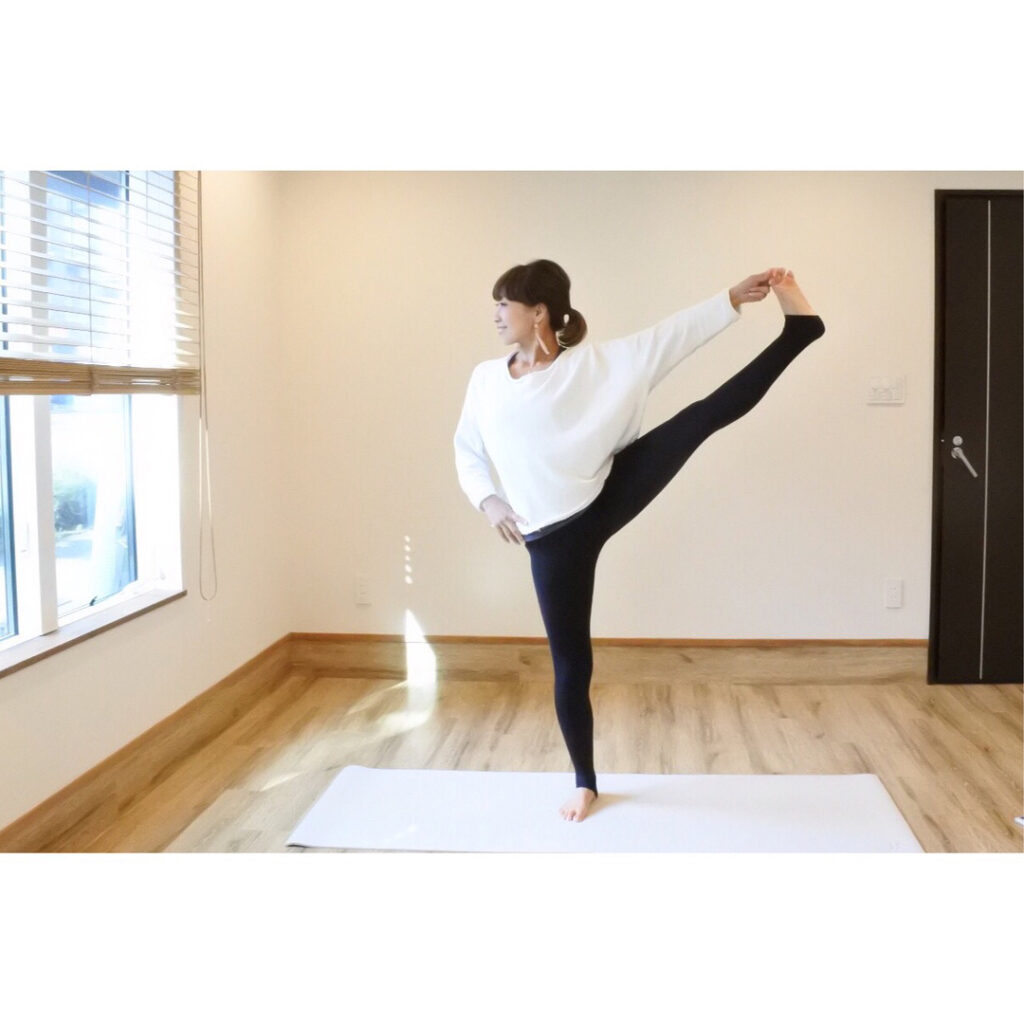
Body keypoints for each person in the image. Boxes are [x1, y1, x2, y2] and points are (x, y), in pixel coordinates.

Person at [454, 259, 824, 822]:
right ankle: (584, 783)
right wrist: (488, 500)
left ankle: (799, 333)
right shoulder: (486, 379)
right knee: (571, 663)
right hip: (552, 541)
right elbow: (466, 449)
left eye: (504, 303)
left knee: (700, 417)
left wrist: (730, 298)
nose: (496, 314)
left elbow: (668, 338)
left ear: (539, 311)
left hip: (605, 495)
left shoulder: (596, 366)